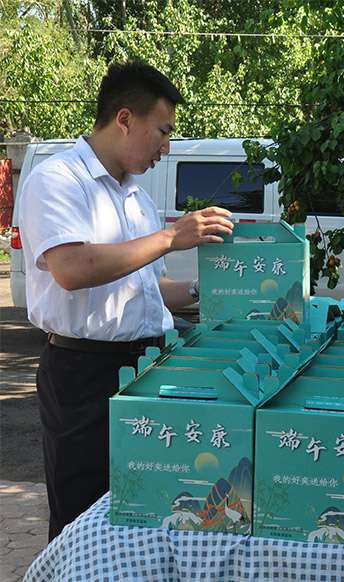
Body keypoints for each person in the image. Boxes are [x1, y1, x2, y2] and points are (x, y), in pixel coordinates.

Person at [19, 61, 234, 541]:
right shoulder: (58, 180)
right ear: (124, 119)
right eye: (163, 131)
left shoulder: (137, 199)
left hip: (146, 369)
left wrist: (214, 291)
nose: (167, 146)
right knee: (82, 520)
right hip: (84, 375)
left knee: (143, 513)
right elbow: (72, 268)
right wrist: (170, 237)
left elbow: (149, 289)